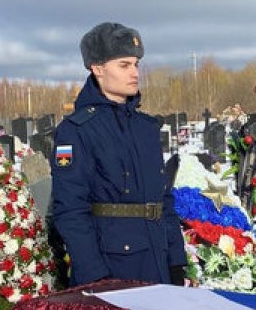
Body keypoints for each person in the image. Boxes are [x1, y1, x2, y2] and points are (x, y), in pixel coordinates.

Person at [50, 22, 187, 286]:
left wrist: (176, 261)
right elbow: (70, 209)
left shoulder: (146, 128)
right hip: (112, 266)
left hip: (157, 261)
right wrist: (94, 275)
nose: (135, 73)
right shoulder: (77, 130)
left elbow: (163, 199)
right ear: (98, 69)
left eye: (136, 64)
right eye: (124, 65)